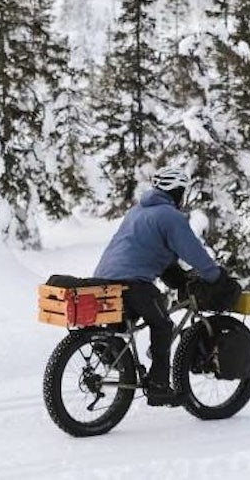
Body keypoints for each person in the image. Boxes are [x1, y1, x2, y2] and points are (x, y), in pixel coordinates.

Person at [92, 166, 225, 406]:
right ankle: (158, 387)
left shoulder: (137, 211)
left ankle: (111, 352)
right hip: (133, 282)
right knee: (162, 325)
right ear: (177, 191)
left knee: (128, 321)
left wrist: (177, 277)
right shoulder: (169, 216)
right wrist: (214, 275)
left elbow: (148, 249)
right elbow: (192, 251)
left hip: (104, 279)